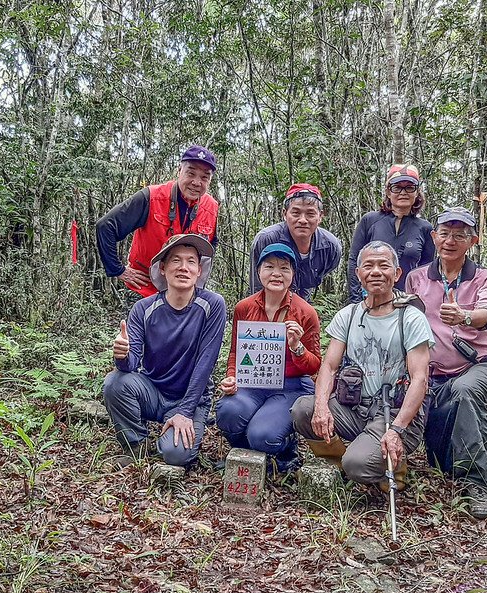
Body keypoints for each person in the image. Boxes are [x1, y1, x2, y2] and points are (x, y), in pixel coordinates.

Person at [292, 241, 434, 490]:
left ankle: (385, 460)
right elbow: (329, 367)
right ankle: (340, 463)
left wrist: (397, 430)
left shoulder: (410, 317)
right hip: (354, 406)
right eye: (368, 266)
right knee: (304, 409)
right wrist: (322, 407)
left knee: (358, 463)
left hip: (393, 411)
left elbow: (420, 379)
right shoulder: (348, 316)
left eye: (384, 266)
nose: (376, 272)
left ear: (397, 273)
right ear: (358, 274)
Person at [405, 206, 487, 519]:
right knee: (440, 461)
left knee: (465, 392)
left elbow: (486, 314)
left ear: (472, 240)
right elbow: (408, 324)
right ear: (434, 237)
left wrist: (465, 316)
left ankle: (480, 485)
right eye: (445, 233)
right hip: (435, 374)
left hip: (481, 364)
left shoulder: (484, 278)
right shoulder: (417, 278)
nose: (451, 241)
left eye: (460, 235)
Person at [103, 234, 226, 467]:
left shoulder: (212, 305)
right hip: (153, 391)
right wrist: (121, 355)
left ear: (199, 270)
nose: (183, 267)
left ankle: (172, 433)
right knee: (114, 383)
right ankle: (136, 444)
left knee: (175, 455)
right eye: (176, 260)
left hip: (191, 398)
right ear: (163, 268)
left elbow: (206, 362)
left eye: (191, 261)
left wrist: (185, 411)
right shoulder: (144, 308)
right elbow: (129, 366)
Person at [216, 244, 321, 473]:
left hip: (290, 386)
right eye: (269, 266)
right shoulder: (244, 307)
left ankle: (284, 448)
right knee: (228, 412)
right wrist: (232, 377)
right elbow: (236, 352)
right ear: (259, 272)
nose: (276, 273)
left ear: (293, 274)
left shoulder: (305, 312)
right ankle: (242, 453)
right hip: (253, 382)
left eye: (284, 268)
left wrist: (297, 347)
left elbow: (315, 365)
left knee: (263, 435)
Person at [97, 145, 219, 297]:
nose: (196, 182)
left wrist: (196, 282)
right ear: (179, 171)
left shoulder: (211, 207)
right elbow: (106, 226)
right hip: (144, 289)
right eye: (191, 173)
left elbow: (211, 245)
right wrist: (118, 270)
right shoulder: (152, 197)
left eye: (204, 177)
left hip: (184, 296)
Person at [347, 164, 435, 303]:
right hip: (370, 299)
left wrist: (420, 301)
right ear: (388, 192)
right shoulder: (370, 221)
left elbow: (426, 271)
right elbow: (354, 261)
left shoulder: (425, 228)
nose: (403, 192)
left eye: (409, 187)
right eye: (397, 187)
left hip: (407, 302)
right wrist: (357, 301)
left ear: (417, 192)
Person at [250, 184, 342, 302]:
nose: (302, 220)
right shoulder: (266, 240)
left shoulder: (330, 247)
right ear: (284, 214)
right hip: (268, 306)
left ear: (320, 216)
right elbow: (257, 289)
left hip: (303, 307)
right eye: (296, 213)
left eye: (310, 214)